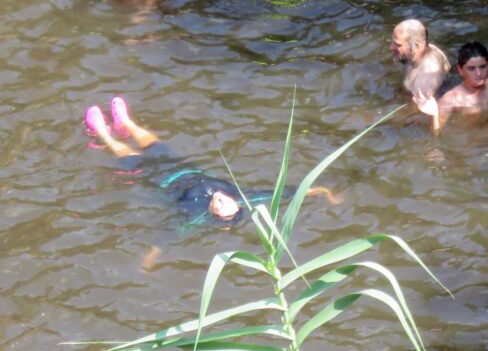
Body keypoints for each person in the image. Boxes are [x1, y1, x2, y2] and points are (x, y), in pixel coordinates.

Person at [82, 97, 338, 269]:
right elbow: (277, 195)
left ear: (212, 214)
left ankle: (103, 133)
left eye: (219, 205)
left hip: (158, 178)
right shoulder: (240, 196)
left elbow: (171, 233)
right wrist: (318, 191)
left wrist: (151, 256)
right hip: (181, 166)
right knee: (155, 144)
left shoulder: (194, 214)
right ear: (236, 205)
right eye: (226, 202)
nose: (220, 198)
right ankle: (125, 123)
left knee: (129, 156)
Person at [390, 19, 449, 97]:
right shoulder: (431, 49)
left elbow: (416, 108)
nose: (391, 47)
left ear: (415, 46)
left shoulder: (424, 79)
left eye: (397, 45)